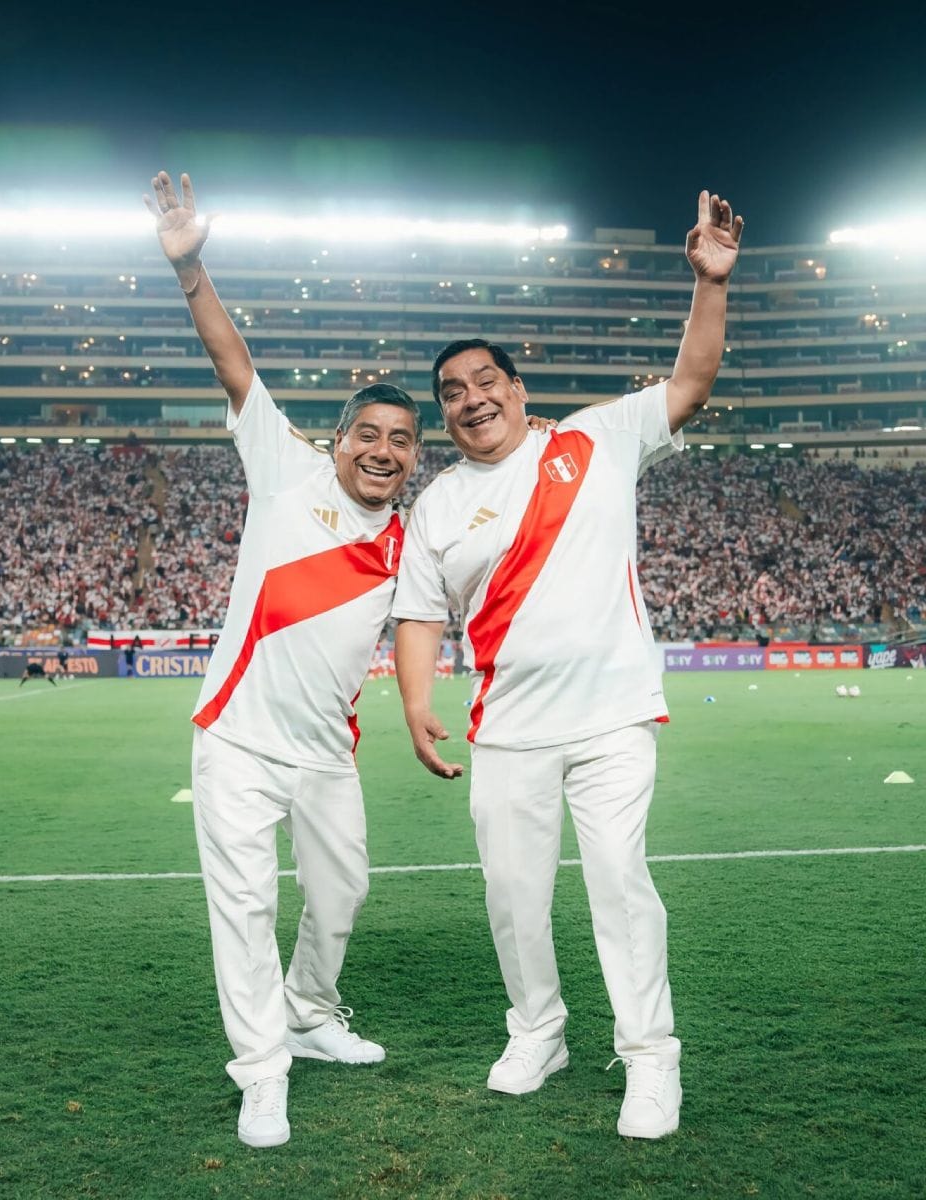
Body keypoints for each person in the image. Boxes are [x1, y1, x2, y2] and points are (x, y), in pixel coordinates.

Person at [392, 189, 744, 1141]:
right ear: (446, 414)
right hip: (507, 729)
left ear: (517, 389)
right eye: (452, 392)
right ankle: (538, 1032)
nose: (471, 398)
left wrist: (711, 284)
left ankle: (650, 1058)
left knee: (620, 883)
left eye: (485, 380)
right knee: (513, 897)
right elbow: (418, 615)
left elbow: (691, 382)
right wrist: (416, 704)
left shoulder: (596, 438)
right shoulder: (436, 505)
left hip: (611, 717)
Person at [150, 170, 421, 1150]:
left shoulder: (413, 539)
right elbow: (234, 364)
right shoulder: (284, 467)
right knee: (245, 904)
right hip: (237, 739)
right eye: (369, 435)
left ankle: (309, 1013)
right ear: (337, 441)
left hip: (326, 751)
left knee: (342, 891)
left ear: (415, 457)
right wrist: (191, 270)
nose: (383, 451)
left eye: (402, 441)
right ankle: (262, 1073)